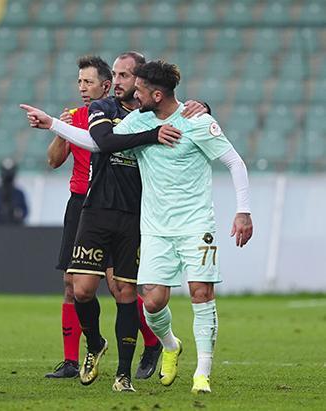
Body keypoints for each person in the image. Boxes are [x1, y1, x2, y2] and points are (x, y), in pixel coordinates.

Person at [23, 60, 252, 394]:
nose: (133, 92)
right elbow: (98, 142)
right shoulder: (138, 120)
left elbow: (234, 161)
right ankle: (171, 345)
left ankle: (202, 373)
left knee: (201, 292)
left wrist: (243, 211)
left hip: (196, 223)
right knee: (153, 302)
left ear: (156, 94)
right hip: (155, 227)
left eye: (139, 88)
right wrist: (52, 123)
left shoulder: (196, 121)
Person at [44, 56, 110, 379]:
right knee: (70, 284)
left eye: (89, 82)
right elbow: (53, 160)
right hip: (80, 203)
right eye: (80, 82)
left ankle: (153, 344)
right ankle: (71, 361)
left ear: (106, 86)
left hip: (112, 205)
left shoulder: (117, 116)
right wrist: (61, 130)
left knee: (119, 284)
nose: (82, 88)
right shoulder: (75, 119)